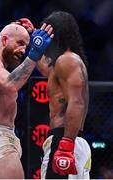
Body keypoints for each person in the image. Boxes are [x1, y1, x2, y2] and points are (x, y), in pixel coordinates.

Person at [0, 18, 54, 179]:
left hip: (2, 137)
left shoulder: (0, 69)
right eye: (19, 43)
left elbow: (44, 70)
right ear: (4, 40)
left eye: (26, 45)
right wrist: (33, 55)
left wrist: (35, 48)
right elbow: (11, 85)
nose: (23, 50)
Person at [37, 11, 91, 179]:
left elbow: (77, 103)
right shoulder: (66, 62)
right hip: (73, 140)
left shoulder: (67, 61)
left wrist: (65, 145)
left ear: (56, 35)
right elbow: (45, 70)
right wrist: (33, 42)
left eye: (47, 35)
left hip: (64, 139)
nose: (45, 40)